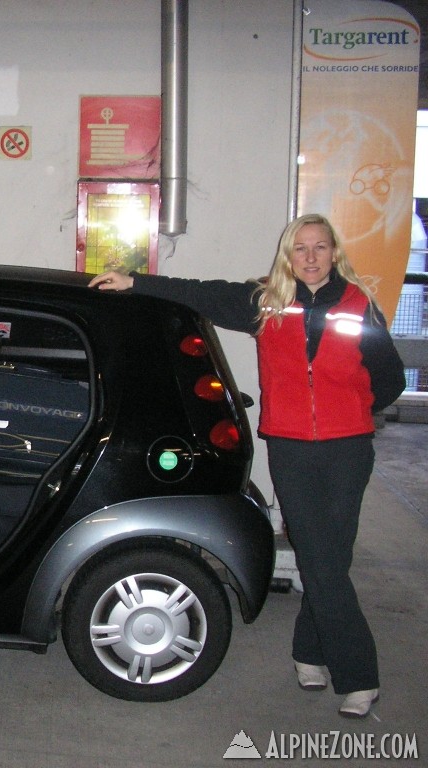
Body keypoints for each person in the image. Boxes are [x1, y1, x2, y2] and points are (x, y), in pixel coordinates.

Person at [89, 213, 406, 719]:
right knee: (319, 556)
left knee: (330, 559)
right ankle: (359, 674)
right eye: (300, 248)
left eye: (320, 247)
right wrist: (134, 282)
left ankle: (308, 651)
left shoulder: (358, 304)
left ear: (334, 253)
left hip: (348, 449)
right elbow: (198, 292)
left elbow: (388, 377)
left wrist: (347, 409)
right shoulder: (266, 303)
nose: (310, 257)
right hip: (292, 448)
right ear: (287, 254)